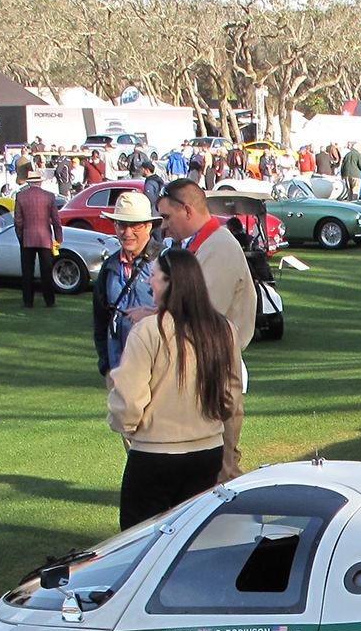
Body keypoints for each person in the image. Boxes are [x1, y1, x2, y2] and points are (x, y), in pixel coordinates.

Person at [107, 250, 240, 527]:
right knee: (191, 538)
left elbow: (129, 399)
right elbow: (231, 394)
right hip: (207, 452)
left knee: (141, 540)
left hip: (155, 454)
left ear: (170, 283)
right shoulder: (223, 330)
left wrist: (128, 426)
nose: (148, 283)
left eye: (153, 277)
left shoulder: (148, 331)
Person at [156, 179, 256, 479]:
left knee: (222, 469)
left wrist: (154, 317)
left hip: (216, 369)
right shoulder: (203, 246)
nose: (163, 226)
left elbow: (201, 314)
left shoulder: (219, 247)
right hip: (205, 367)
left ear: (186, 210)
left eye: (166, 217)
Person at [92, 190, 162, 376]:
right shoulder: (109, 267)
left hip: (159, 373)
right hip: (119, 372)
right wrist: (106, 367)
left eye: (135, 226)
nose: (127, 232)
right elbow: (101, 321)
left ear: (148, 226)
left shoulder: (167, 262)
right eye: (122, 225)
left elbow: (184, 316)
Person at [13, 165, 63, 308]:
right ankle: (50, 300)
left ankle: (28, 301)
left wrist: (20, 236)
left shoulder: (21, 196)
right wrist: (59, 238)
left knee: (27, 272)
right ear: (40, 182)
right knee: (46, 271)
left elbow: (18, 220)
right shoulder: (49, 196)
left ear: (29, 182)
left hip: (27, 237)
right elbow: (55, 219)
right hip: (44, 237)